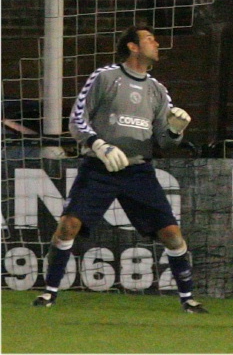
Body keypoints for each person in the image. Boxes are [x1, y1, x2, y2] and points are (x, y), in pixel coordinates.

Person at [33, 24, 207, 314]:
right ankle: (49, 293)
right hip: (99, 167)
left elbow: (164, 141)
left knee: (172, 234)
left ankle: (188, 299)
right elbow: (77, 119)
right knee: (68, 226)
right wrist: (99, 145)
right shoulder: (105, 78)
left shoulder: (157, 91)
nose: (157, 44)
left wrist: (176, 130)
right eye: (150, 39)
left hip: (138, 171)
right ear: (133, 46)